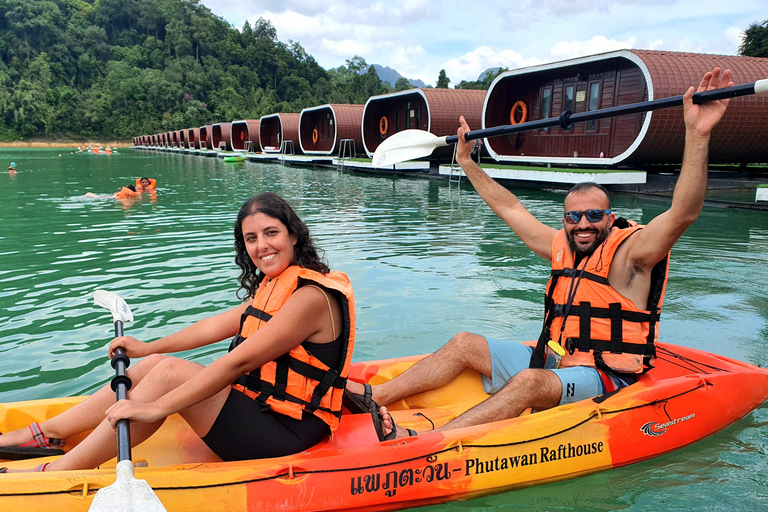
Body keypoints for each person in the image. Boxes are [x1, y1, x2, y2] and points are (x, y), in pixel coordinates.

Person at [346, 67, 733, 440]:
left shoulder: (633, 255)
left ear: (609, 217)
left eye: (594, 215)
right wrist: (466, 162)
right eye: (574, 217)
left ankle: (427, 441)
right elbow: (510, 208)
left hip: (606, 376)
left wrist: (697, 134)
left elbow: (683, 213)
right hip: (556, 359)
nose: (583, 224)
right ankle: (373, 397)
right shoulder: (560, 245)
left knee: (529, 381)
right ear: (565, 220)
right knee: (464, 342)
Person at [0, 192, 355, 472]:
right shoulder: (276, 286)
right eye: (251, 238)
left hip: (288, 432)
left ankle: (57, 471)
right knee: (156, 362)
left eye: (271, 233)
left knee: (169, 372)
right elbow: (211, 327)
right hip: (262, 409)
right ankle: (47, 433)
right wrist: (146, 347)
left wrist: (156, 408)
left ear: (293, 234)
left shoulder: (311, 297)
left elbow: (239, 362)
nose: (261, 246)